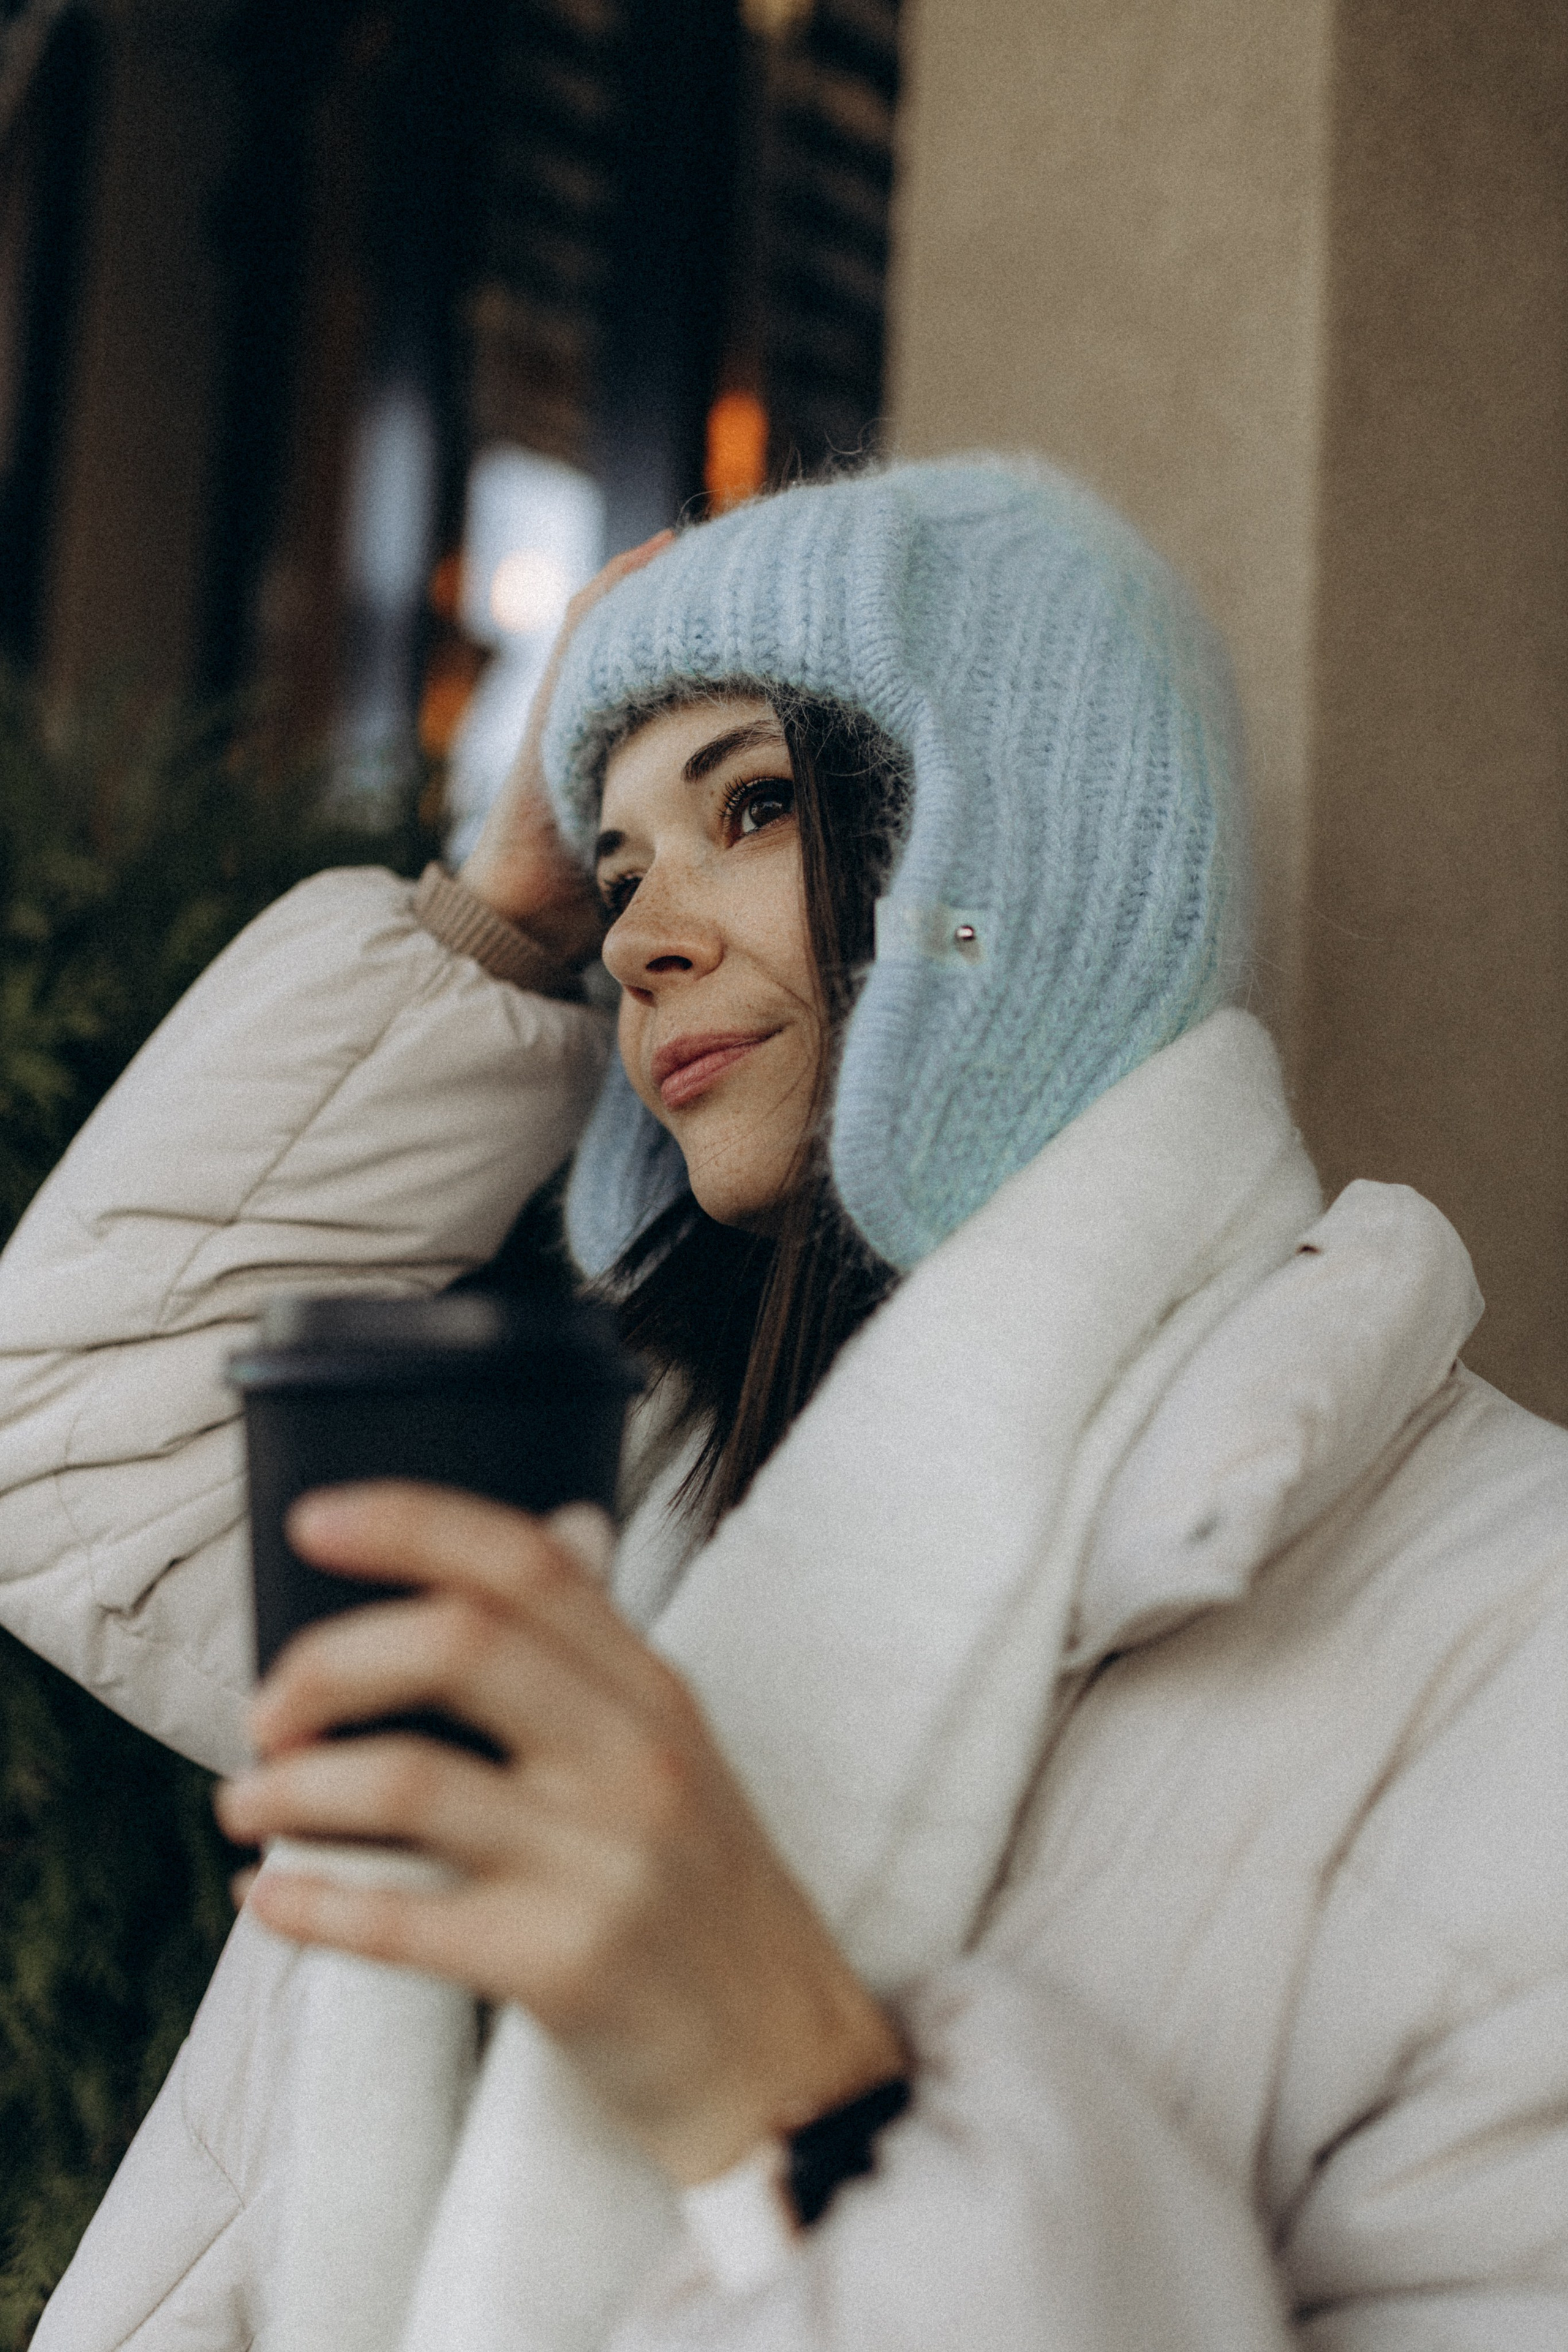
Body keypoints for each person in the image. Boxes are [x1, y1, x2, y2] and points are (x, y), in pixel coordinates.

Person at [0, 456, 1564, 2352]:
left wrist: (790, 2082)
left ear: (1018, 845)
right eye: (616, 871)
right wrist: (498, 910)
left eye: (751, 806)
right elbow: (57, 1425)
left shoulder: (1505, 1630)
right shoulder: (619, 1492)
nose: (642, 936)